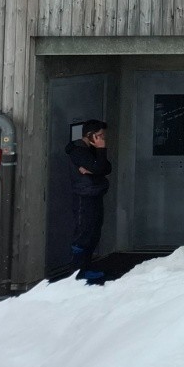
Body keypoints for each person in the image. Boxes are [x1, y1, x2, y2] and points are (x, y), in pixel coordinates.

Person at [65, 120, 111, 283]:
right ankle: (76, 271)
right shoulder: (78, 151)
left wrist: (97, 162)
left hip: (95, 193)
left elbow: (106, 168)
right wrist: (99, 155)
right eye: (99, 136)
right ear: (90, 135)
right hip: (84, 196)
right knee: (84, 232)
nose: (102, 139)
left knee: (93, 232)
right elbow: (99, 168)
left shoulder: (90, 150)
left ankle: (85, 267)